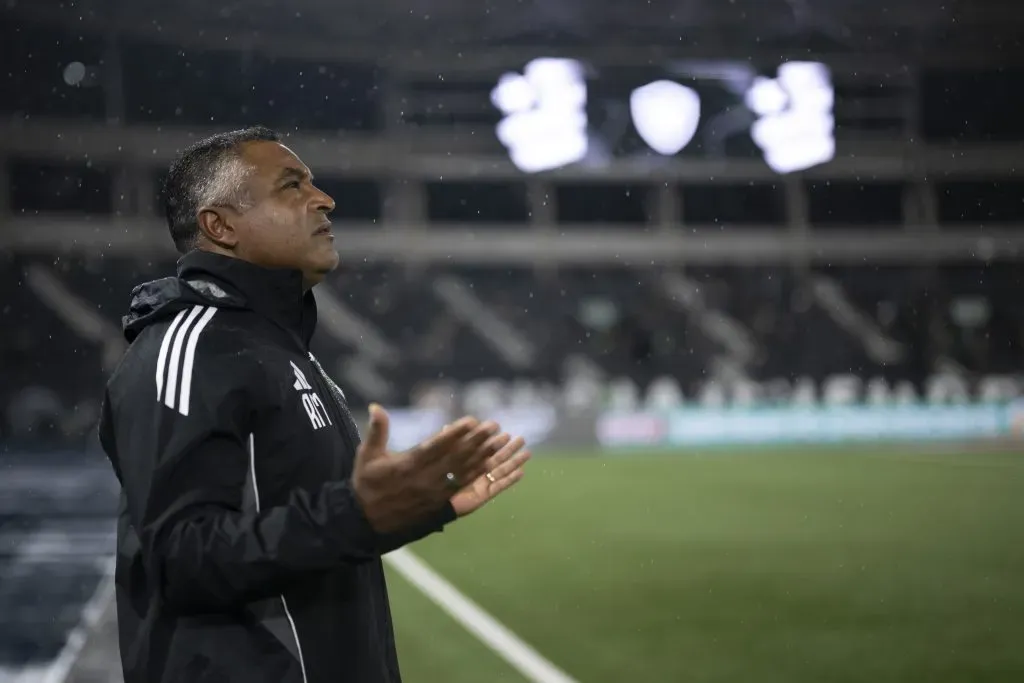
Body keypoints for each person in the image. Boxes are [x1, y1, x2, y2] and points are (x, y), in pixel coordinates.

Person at [97, 125, 531, 683]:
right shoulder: (188, 348)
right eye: (291, 185)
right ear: (220, 226)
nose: (323, 199)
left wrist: (405, 509)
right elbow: (182, 560)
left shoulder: (284, 351)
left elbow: (310, 534)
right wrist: (356, 515)